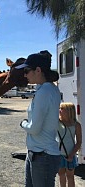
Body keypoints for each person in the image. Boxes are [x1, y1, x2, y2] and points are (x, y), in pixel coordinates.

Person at [16, 51, 62, 187]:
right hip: (38, 154)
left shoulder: (44, 92)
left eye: (26, 70)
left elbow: (34, 128)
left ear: (38, 70)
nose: (24, 74)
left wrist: (23, 123)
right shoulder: (49, 89)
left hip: (42, 156)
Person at [57, 102, 82, 187]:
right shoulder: (57, 122)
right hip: (59, 154)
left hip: (70, 155)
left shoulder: (76, 125)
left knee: (70, 176)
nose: (59, 110)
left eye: (62, 109)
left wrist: (72, 154)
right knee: (61, 176)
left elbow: (79, 141)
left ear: (69, 111)